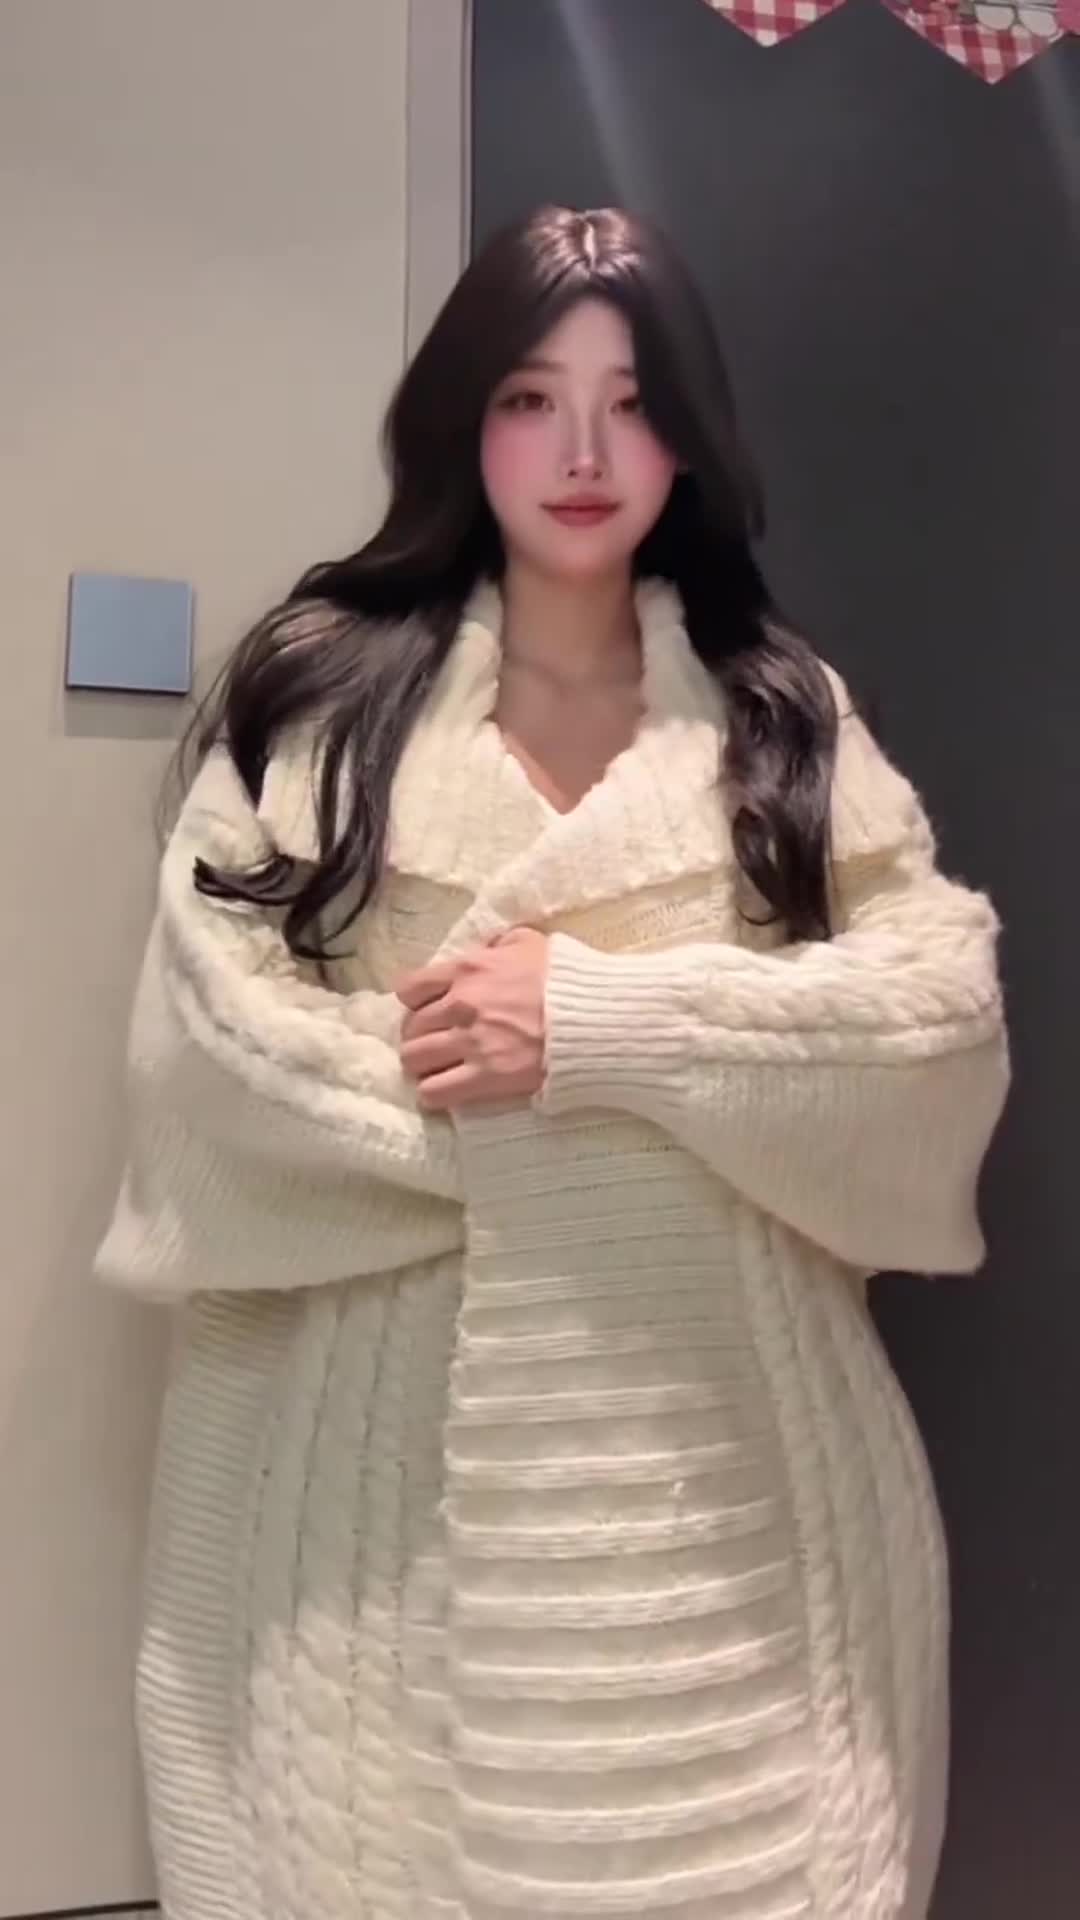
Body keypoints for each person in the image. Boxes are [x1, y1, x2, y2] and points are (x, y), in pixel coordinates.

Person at [96, 205, 1009, 1920]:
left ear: (692, 433)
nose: (583, 452)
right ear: (464, 420)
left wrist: (598, 1030)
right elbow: (212, 1068)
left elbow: (934, 1037)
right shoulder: (319, 704)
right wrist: (646, 1135)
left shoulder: (780, 717)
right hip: (367, 1507)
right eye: (531, 397)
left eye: (630, 400)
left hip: (726, 1504)